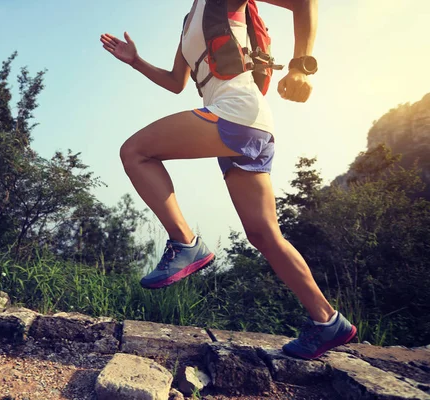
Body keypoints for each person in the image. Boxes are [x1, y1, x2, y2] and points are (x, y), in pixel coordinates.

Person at [100, 0, 357, 360]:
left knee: (135, 152)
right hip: (247, 123)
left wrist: (301, 68)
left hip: (236, 112)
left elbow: (304, 2)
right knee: (265, 235)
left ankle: (185, 243)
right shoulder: (190, 20)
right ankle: (328, 321)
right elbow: (177, 83)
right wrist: (136, 60)